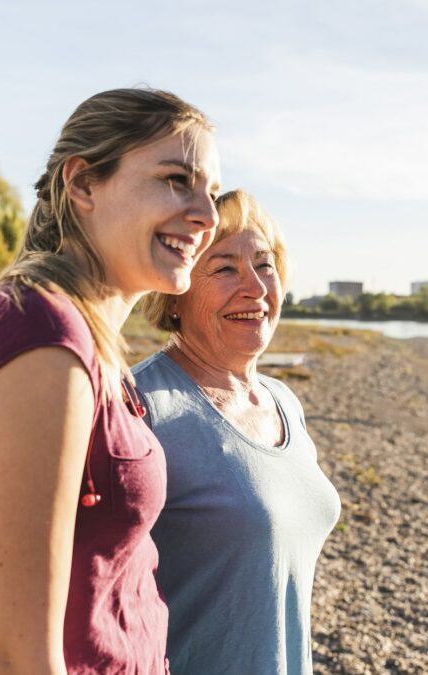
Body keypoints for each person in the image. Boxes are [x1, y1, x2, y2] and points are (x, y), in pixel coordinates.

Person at [0, 88, 221, 674]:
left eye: (211, 193)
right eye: (175, 179)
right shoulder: (42, 334)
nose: (207, 217)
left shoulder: (87, 338)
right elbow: (14, 655)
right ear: (83, 184)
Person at [134, 190, 341, 675]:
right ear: (175, 293)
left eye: (265, 265)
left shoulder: (283, 401)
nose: (254, 286)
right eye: (225, 268)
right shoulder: (140, 406)